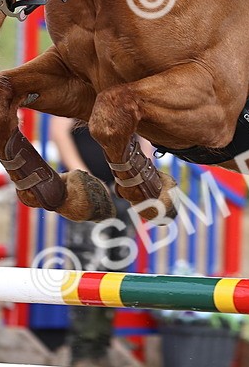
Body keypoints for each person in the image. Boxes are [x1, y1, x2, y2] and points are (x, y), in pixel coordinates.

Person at [50, 116, 140, 367]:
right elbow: (59, 132)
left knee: (115, 271)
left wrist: (142, 172)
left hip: (123, 189)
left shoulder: (126, 85)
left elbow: (143, 134)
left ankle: (101, 346)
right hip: (87, 194)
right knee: (86, 270)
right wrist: (86, 178)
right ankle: (82, 352)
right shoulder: (80, 81)